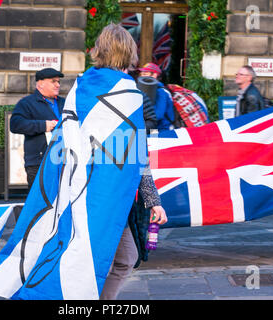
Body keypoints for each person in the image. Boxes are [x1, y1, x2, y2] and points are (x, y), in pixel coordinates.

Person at [86, 23, 168, 300]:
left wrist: (152, 199)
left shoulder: (83, 87)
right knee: (110, 260)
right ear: (128, 55)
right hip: (104, 195)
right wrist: (153, 198)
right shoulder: (128, 95)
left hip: (97, 193)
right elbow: (138, 155)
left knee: (120, 258)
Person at [10, 68, 65, 189]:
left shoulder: (65, 103)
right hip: (38, 162)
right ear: (40, 83)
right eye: (53, 81)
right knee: (39, 203)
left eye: (58, 82)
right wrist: (43, 125)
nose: (58, 85)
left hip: (63, 161)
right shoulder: (26, 103)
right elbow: (15, 124)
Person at [138, 62, 175, 131]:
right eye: (141, 74)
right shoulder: (146, 90)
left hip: (163, 129)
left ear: (154, 75)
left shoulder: (162, 92)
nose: (142, 76)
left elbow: (158, 115)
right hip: (153, 127)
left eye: (145, 74)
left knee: (152, 141)